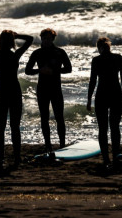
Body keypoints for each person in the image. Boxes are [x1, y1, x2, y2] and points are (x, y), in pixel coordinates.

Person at [0, 30, 33, 170]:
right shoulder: (15, 54)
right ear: (12, 42)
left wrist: (2, 36)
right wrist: (17, 35)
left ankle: (1, 158)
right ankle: (17, 158)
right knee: (15, 126)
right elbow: (30, 39)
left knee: (0, 127)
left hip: (2, 90)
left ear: (0, 41)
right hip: (14, 90)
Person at [25, 28, 72, 158]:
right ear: (41, 39)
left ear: (52, 39)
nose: (45, 41)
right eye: (44, 38)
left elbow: (69, 69)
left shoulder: (60, 52)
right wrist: (40, 70)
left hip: (56, 88)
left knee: (59, 117)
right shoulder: (37, 53)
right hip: (42, 89)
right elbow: (27, 70)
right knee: (44, 118)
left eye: (48, 38)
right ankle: (48, 145)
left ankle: (62, 144)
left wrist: (55, 71)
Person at [87, 37, 122, 168]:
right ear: (109, 46)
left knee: (103, 129)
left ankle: (106, 159)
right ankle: (115, 157)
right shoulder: (118, 58)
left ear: (99, 48)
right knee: (114, 127)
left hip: (102, 95)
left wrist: (89, 99)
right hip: (116, 94)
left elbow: (93, 81)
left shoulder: (97, 60)